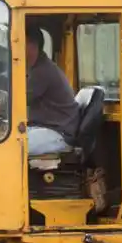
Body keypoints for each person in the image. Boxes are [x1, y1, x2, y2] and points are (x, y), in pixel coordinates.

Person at [24, 24, 80, 156]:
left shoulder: (43, 71)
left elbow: (17, 100)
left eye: (18, 42)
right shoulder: (32, 69)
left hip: (58, 133)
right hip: (43, 128)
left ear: (32, 44)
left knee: (12, 147)